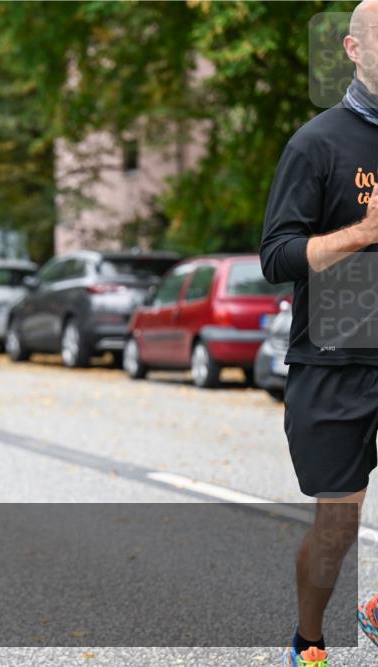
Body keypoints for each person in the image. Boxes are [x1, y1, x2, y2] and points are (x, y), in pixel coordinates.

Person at [260, 3, 378, 665]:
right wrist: (361, 234)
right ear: (352, 49)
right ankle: (308, 638)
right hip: (336, 353)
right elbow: (276, 256)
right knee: (337, 525)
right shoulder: (318, 143)